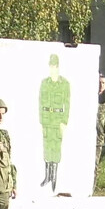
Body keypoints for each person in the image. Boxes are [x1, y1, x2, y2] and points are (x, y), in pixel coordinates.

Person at [38, 54, 70, 192]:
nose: (52, 69)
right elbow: (40, 102)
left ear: (58, 67)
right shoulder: (45, 83)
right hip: (47, 118)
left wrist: (64, 121)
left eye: (54, 66)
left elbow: (67, 103)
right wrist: (41, 121)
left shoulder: (64, 84)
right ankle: (47, 176)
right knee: (47, 147)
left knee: (56, 147)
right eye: (50, 66)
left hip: (57, 119)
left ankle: (54, 177)